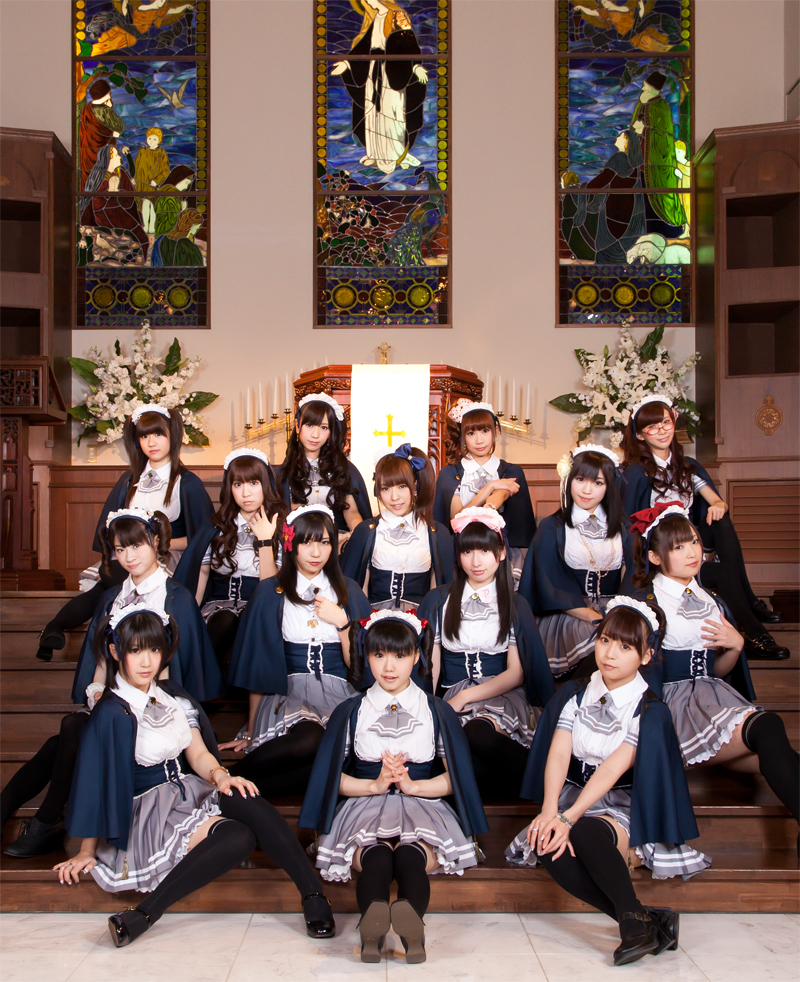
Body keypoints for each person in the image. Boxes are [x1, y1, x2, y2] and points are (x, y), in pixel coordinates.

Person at [53, 607, 335, 947]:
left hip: (188, 790)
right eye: (135, 650)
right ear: (115, 651)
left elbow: (198, 753)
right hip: (148, 810)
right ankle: (145, 913)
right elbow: (96, 781)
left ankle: (313, 895)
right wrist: (87, 850)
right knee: (240, 837)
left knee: (242, 794)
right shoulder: (112, 711)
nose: (146, 661)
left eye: (154, 649)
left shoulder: (172, 698)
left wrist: (220, 776)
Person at [3, 508, 221, 859]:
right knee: (66, 737)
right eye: (120, 549)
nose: (129, 557)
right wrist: (97, 691)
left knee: (71, 730)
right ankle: (31, 818)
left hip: (155, 707)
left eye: (136, 546)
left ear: (155, 542)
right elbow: (102, 659)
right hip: (113, 699)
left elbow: (171, 674)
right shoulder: (112, 596)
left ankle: (45, 821)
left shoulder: (174, 598)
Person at [506, 598, 708, 967]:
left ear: (646, 656)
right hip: (573, 794)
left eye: (626, 647)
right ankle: (641, 919)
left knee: (583, 831)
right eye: (605, 640)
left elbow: (613, 769)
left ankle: (634, 925)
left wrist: (568, 817)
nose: (610, 653)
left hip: (621, 802)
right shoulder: (575, 694)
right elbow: (559, 753)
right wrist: (550, 811)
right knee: (547, 844)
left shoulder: (647, 709)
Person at [298, 610, 488, 963]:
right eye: (379, 654)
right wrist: (374, 785)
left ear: (416, 656)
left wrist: (414, 787)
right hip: (365, 803)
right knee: (378, 855)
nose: (389, 667)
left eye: (400, 655)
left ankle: (386, 925)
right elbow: (330, 780)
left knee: (408, 855)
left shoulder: (436, 711)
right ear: (366, 655)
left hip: (423, 802)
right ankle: (396, 926)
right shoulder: (351, 711)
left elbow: (457, 780)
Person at [629, 504, 799, 830]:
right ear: (655, 557)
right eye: (678, 547)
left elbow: (715, 670)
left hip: (712, 697)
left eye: (694, 542)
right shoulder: (647, 603)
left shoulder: (710, 599)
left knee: (784, 758)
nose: (692, 552)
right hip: (674, 707)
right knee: (769, 728)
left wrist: (736, 645)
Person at [36, 403, 214, 661]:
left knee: (108, 590)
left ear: (173, 436)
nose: (151, 442)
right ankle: (56, 628)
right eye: (144, 436)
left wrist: (158, 545)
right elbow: (110, 528)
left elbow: (201, 539)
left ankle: (56, 628)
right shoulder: (130, 481)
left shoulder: (186, 483)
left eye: (158, 434)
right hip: (129, 556)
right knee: (110, 582)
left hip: (168, 559)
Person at [621, 394, 788, 659]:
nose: (661, 430)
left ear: (674, 423)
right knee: (722, 573)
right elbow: (628, 523)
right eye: (651, 426)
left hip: (692, 541)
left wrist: (717, 505)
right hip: (663, 550)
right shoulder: (635, 472)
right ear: (640, 435)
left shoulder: (688, 466)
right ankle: (756, 634)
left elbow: (717, 501)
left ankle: (751, 604)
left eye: (665, 422)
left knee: (721, 518)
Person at [222, 505, 372, 796]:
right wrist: (252, 728)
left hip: (339, 693)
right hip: (289, 694)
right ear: (292, 545)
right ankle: (229, 776)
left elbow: (359, 669)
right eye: (307, 543)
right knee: (313, 739)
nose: (316, 552)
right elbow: (260, 666)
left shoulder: (349, 591)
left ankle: (230, 789)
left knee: (338, 758)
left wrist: (343, 624)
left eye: (324, 542)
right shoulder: (271, 592)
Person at [418, 507, 554, 797]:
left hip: (499, 695)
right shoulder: (440, 600)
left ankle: (543, 779)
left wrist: (466, 697)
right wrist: (427, 707)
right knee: (451, 754)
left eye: (484, 551)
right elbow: (432, 666)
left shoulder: (514, 604)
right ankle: (529, 785)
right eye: (467, 552)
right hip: (452, 695)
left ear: (501, 553)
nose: (476, 561)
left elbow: (515, 674)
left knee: (477, 734)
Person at [520, 446, 632, 677]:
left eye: (598, 483)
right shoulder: (552, 527)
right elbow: (550, 583)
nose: (587, 490)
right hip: (571, 614)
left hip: (616, 612)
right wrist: (594, 616)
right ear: (569, 480)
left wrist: (618, 615)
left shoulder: (623, 529)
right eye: (580, 479)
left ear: (609, 487)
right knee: (596, 643)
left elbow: (633, 577)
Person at [174, 449, 287, 666]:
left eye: (253, 483)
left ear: (266, 485)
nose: (246, 493)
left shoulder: (281, 529)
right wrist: (189, 617)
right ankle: (204, 682)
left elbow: (270, 586)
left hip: (261, 607)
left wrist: (265, 540)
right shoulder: (215, 529)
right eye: (238, 484)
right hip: (219, 606)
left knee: (248, 621)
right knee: (224, 620)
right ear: (229, 488)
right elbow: (201, 575)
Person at [341, 444, 453, 611]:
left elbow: (439, 592)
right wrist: (366, 622)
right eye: (386, 488)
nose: (394, 497)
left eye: (402, 486)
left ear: (414, 485)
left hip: (421, 620)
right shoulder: (366, 531)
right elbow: (357, 590)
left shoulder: (437, 533)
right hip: (375, 620)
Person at [330, 0, 428, 175]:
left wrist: (415, 66)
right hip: (372, 72)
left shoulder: (397, 16)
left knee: (392, 113)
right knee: (372, 112)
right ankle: (376, 153)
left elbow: (410, 44)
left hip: (393, 73)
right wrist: (347, 64)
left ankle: (394, 154)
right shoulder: (375, 18)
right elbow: (363, 48)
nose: (366, 2)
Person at [433, 400, 536, 564]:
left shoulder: (511, 471)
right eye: (471, 433)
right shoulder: (449, 474)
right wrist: (489, 487)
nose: (479, 440)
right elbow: (457, 521)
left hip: (502, 558)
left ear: (496, 431)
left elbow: (503, 495)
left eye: (485, 431)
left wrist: (490, 500)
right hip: (461, 556)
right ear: (463, 436)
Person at [276, 392, 372, 543]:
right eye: (309, 425)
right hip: (301, 542)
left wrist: (360, 537)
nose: (315, 434)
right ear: (297, 425)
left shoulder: (344, 468)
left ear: (330, 432)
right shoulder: (285, 473)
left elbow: (351, 512)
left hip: (336, 541)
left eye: (324, 427)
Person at [80, 144, 150, 262]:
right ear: (109, 159)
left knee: (143, 239)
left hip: (120, 213)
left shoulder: (122, 174)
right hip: (102, 216)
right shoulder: (97, 177)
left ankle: (137, 261)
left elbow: (129, 201)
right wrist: (109, 193)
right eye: (116, 155)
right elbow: (93, 204)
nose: (120, 157)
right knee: (123, 241)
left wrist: (118, 193)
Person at [78, 78, 125, 190]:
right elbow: (120, 127)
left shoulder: (85, 110)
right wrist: (111, 133)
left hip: (86, 157)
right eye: (109, 96)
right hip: (104, 156)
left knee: (90, 185)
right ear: (106, 95)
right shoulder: (105, 111)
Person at [131, 126, 170, 246]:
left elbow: (165, 170)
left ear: (159, 140)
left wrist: (157, 181)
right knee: (144, 203)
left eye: (154, 139)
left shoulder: (161, 153)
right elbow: (136, 166)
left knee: (152, 205)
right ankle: (145, 227)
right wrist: (134, 178)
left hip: (153, 185)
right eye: (149, 138)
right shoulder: (142, 151)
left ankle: (151, 228)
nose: (151, 141)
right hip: (142, 183)